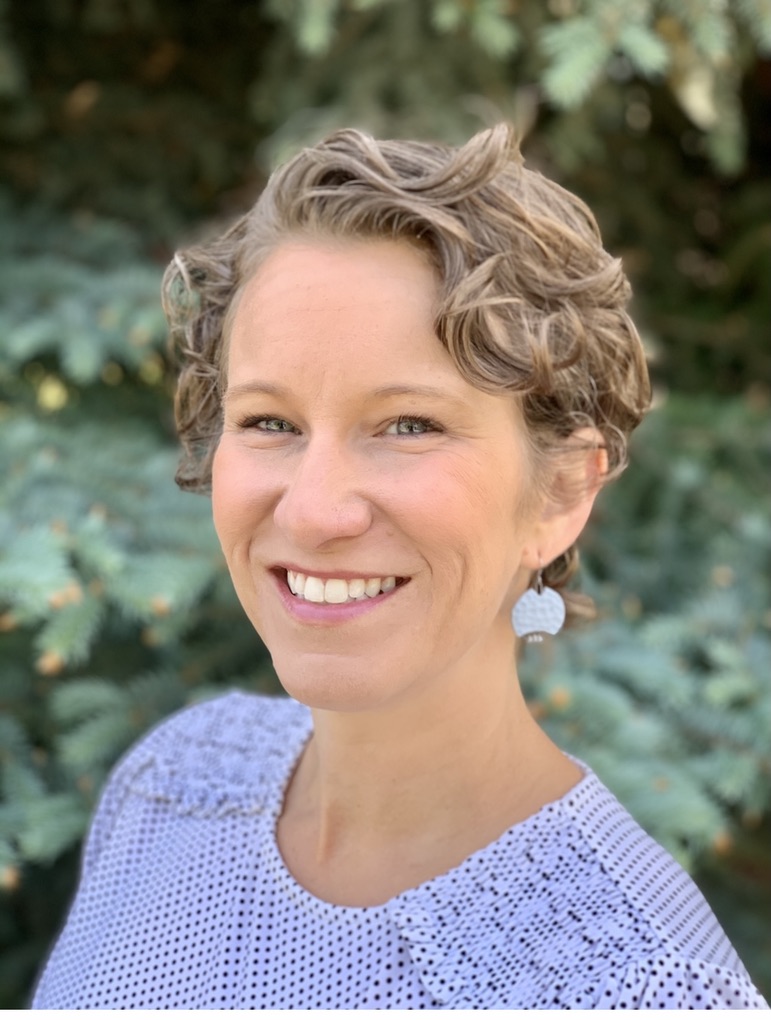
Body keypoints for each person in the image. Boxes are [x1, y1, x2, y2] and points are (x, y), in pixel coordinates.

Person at [32, 124, 767, 1009]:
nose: (312, 509)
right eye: (270, 421)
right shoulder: (171, 785)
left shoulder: (638, 983)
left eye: (408, 426)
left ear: (560, 493)